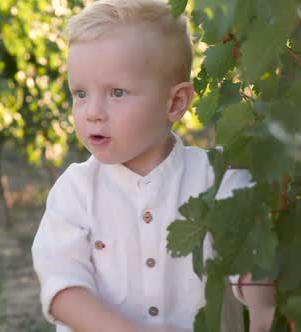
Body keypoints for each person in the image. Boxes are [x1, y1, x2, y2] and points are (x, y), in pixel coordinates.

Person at [30, 0, 276, 331]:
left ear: (174, 102)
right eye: (80, 93)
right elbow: (63, 291)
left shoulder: (219, 178)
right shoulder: (74, 192)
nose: (92, 112)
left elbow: (248, 257)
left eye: (117, 92)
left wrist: (264, 307)